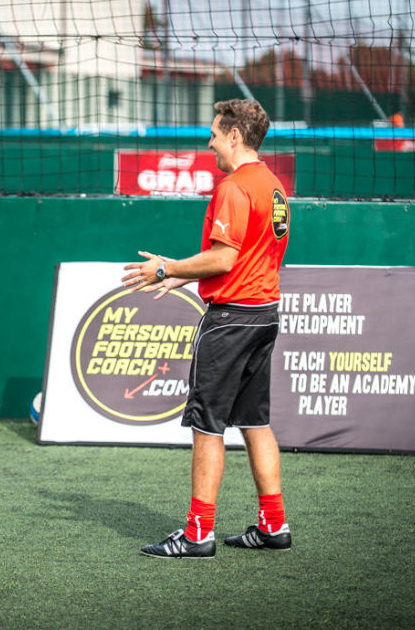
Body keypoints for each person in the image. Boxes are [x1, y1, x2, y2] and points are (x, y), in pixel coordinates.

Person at [122, 99, 291, 559]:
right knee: (256, 422)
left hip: (230, 321)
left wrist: (165, 268)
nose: (210, 140)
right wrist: (183, 275)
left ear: (235, 135)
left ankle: (198, 533)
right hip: (264, 314)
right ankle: (273, 525)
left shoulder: (234, 188)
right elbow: (250, 255)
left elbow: (224, 258)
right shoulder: (273, 186)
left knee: (208, 427)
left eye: (215, 132)